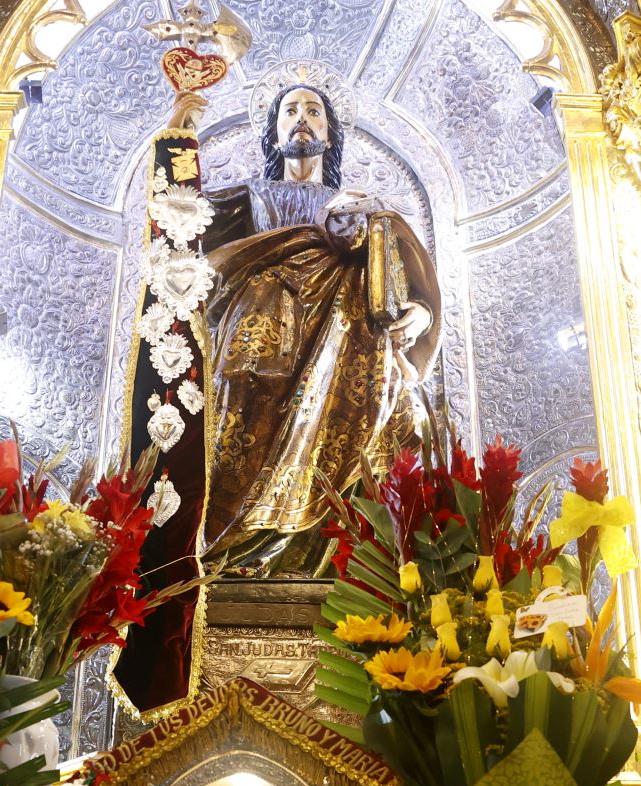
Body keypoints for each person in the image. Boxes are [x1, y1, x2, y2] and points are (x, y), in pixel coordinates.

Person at [170, 81, 442, 570]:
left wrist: (420, 311)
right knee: (236, 416)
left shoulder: (359, 204)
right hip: (259, 327)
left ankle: (326, 557)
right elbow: (179, 215)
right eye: (290, 111)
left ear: (330, 133)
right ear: (274, 134)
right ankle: (231, 552)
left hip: (347, 337)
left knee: (393, 413)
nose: (302, 119)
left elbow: (399, 275)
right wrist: (178, 140)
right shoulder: (252, 194)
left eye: (314, 111)